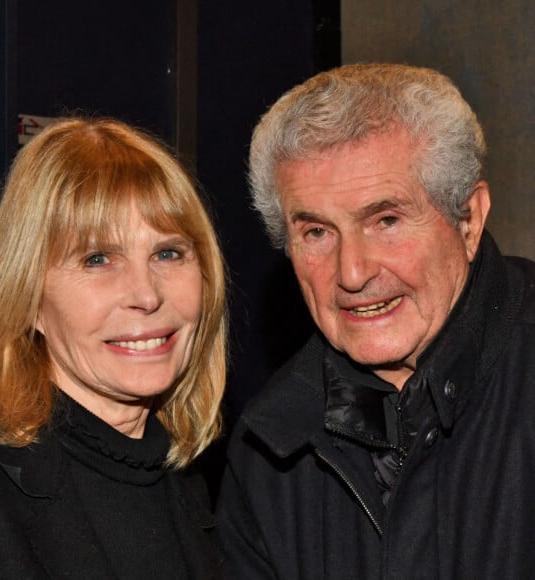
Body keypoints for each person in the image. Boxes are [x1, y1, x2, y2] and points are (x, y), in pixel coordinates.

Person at [216, 63, 535, 578]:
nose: (353, 272)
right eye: (317, 232)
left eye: (385, 221)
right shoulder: (269, 447)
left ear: (469, 219)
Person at [0, 117, 227, 579]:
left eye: (167, 253)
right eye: (97, 259)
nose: (146, 294)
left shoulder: (188, 483)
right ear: (29, 300)